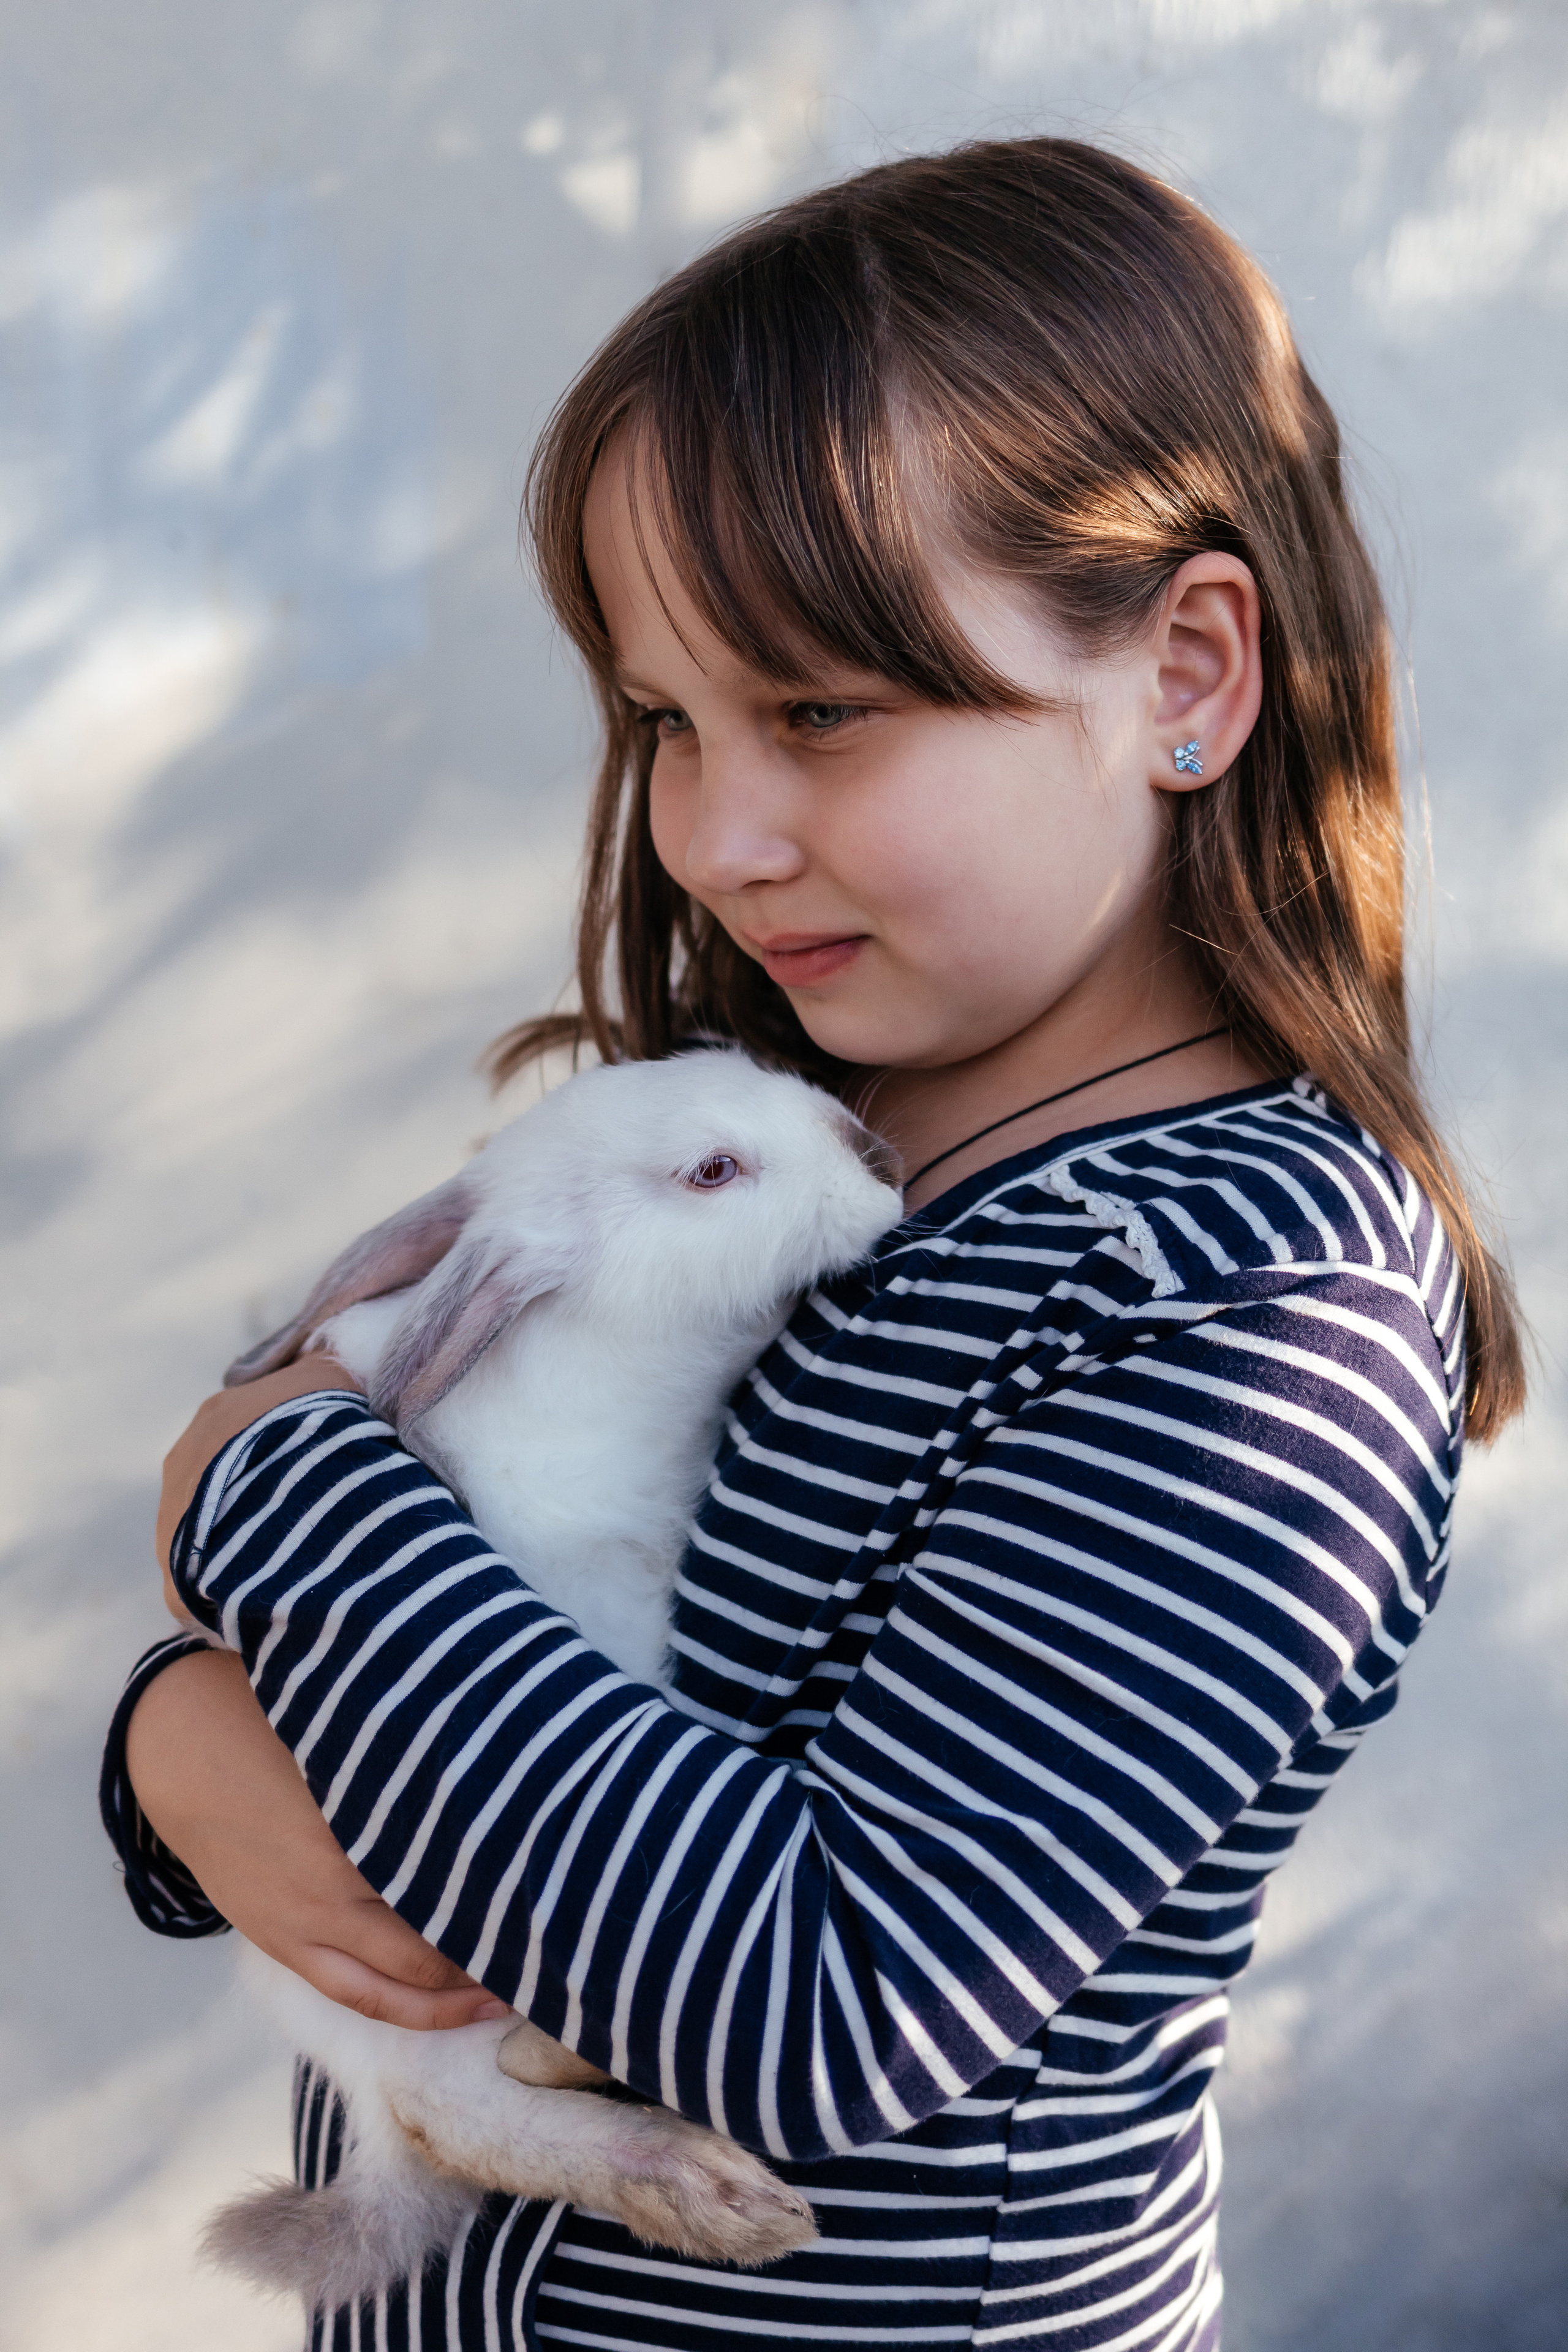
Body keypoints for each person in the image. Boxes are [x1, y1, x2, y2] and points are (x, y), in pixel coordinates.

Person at [103, 137, 1524, 2352]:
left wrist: (263, 1482)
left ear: (1187, 672)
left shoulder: (1253, 1305)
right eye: (667, 720)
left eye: (824, 712)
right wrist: (180, 1745)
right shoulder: (765, 1112)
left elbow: (815, 2004)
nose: (717, 829)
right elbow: (444, 1633)